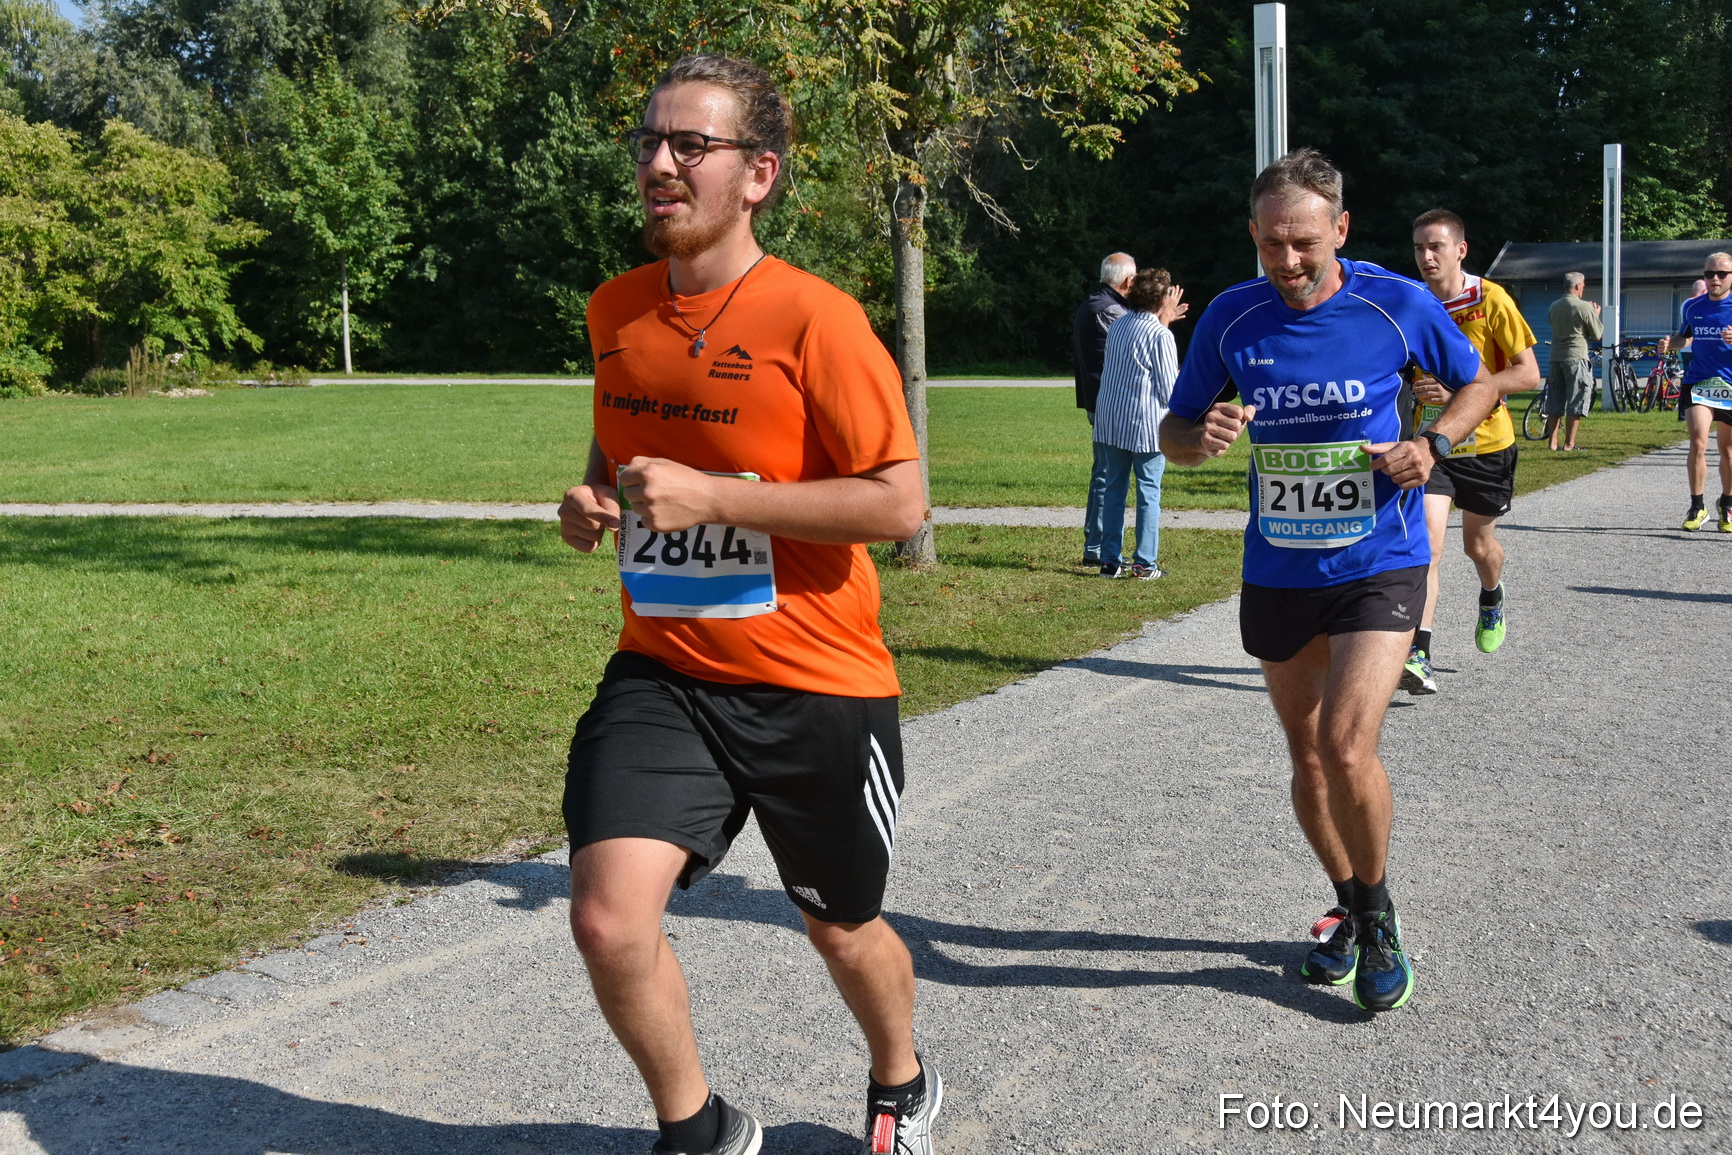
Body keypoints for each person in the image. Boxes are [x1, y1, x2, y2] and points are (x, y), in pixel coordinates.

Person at [556, 54, 940, 1155]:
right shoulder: (615, 309)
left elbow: (899, 501)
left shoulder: (817, 320)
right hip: (665, 672)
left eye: (691, 146)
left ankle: (901, 1074)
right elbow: (620, 451)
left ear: (758, 173)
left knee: (841, 926)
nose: (660, 164)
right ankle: (700, 1129)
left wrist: (717, 497)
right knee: (606, 915)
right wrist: (590, 500)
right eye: (648, 143)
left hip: (815, 683)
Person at [1159, 148, 1502, 1013]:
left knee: (1349, 744)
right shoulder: (1232, 319)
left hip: (1378, 560)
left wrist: (1434, 445)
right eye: (1272, 243)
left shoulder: (1397, 304)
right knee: (1308, 757)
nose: (1288, 261)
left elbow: (1478, 385)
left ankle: (1379, 917)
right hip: (1280, 567)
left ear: (1340, 229)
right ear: (1253, 235)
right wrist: (1196, 440)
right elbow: (1172, 427)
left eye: (1305, 241)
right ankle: (1349, 904)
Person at [1402, 210, 1540, 694]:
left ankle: (1491, 593)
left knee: (1477, 547)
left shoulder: (1490, 299)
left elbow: (1529, 374)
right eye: (1419, 248)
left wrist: (1465, 392)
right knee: (1427, 546)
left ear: (1460, 250)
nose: (1426, 256)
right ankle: (1419, 652)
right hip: (1433, 446)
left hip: (1488, 445)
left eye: (1436, 246)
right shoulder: (1412, 304)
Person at [1092, 267, 1187, 578]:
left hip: (1110, 421)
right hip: (1145, 426)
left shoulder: (1118, 325)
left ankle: (1109, 561)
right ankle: (1144, 563)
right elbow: (1169, 390)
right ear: (1162, 298)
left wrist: (1167, 317)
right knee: (1148, 493)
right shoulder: (1161, 336)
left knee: (1114, 490)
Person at [1658, 251, 1732, 531]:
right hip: (1699, 382)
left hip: (1730, 385)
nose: (1715, 278)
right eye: (1709, 274)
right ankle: (1697, 506)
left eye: (1721, 274)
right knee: (1698, 443)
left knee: (1727, 450)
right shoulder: (1693, 306)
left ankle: (1727, 504)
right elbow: (1684, 336)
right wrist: (1669, 344)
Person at [1074, 253, 1137, 566]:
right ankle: (1097, 548)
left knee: (1104, 473)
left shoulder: (1091, 304)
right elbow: (1135, 348)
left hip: (1096, 400)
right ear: (1127, 280)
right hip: (1109, 404)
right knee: (1108, 476)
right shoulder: (1112, 310)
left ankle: (1095, 546)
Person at [1545, 273, 1603, 451]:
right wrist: (1596, 314)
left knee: (1555, 400)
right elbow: (1597, 334)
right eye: (1583, 285)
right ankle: (1569, 444)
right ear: (1577, 286)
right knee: (1576, 401)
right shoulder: (1584, 307)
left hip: (1556, 358)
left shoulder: (1553, 306)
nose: (1584, 288)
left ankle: (1552, 443)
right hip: (1576, 358)